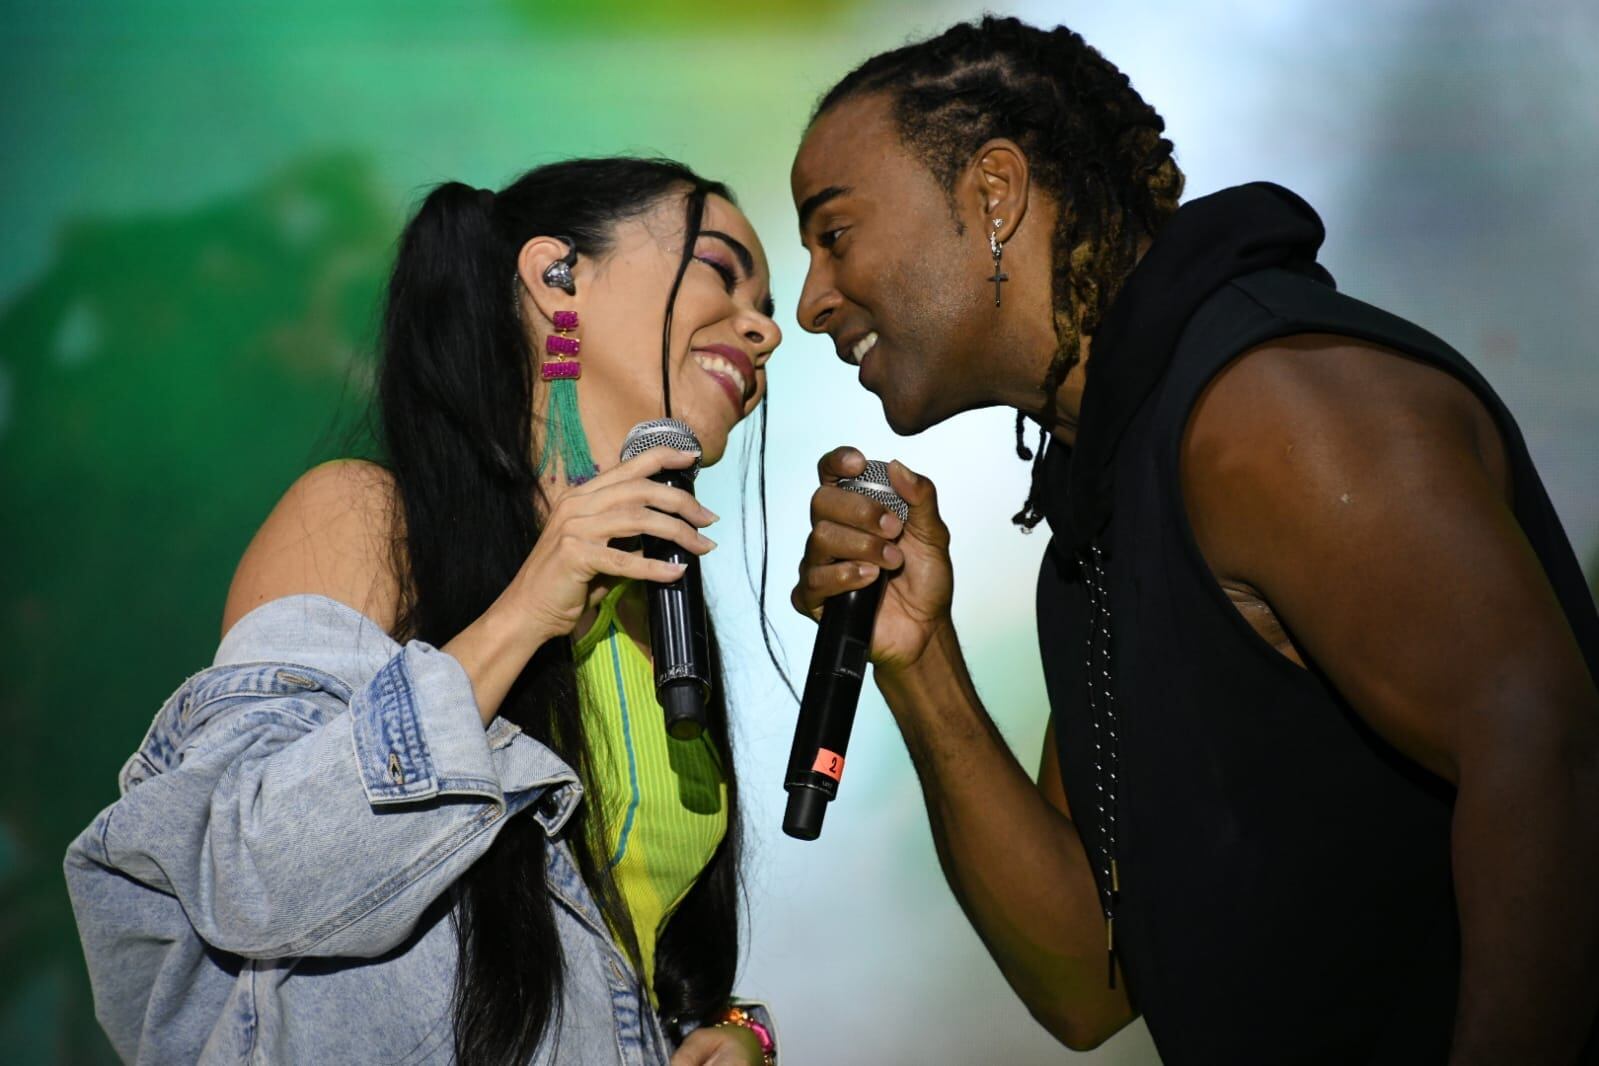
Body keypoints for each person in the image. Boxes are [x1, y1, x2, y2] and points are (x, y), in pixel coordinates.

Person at [788, 16, 1599, 1064]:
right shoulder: (1112, 499)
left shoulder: (1264, 408)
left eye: (835, 234)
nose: (811, 300)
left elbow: (1552, 755)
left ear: (994, 192)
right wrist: (919, 662)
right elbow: (1087, 978)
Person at [65, 157, 783, 1066]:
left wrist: (730, 1029)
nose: (764, 330)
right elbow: (252, 878)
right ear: (557, 277)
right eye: (721, 269)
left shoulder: (665, 617)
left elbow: (615, 954)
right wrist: (523, 613)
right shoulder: (365, 519)